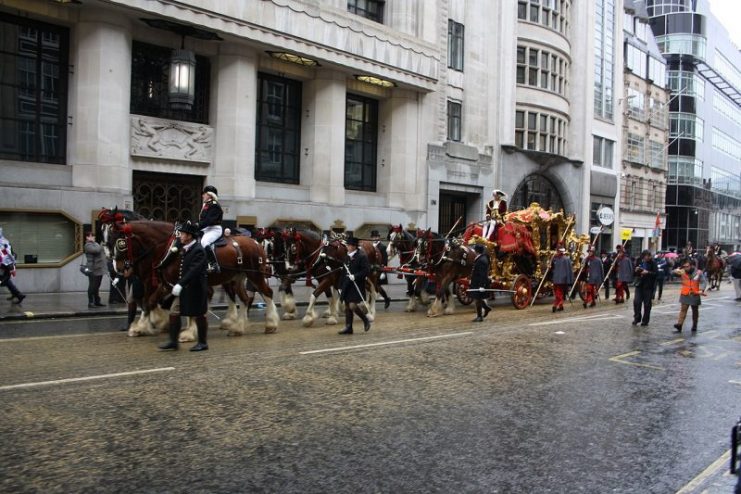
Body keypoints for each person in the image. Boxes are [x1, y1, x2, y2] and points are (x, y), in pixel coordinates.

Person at [159, 221, 210, 351]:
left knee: (199, 314)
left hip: (196, 289)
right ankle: (173, 341)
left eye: (182, 234)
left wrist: (180, 284)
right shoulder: (185, 248)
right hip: (184, 288)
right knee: (174, 311)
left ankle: (203, 343)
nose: (180, 236)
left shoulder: (198, 250)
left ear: (189, 236)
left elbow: (194, 270)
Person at [338, 237, 371, 335]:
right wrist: (340, 286)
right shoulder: (347, 256)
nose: (347, 247)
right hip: (347, 285)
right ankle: (349, 327)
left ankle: (365, 320)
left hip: (356, 284)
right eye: (347, 245)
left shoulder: (362, 256)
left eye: (349, 245)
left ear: (354, 246)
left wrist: (355, 276)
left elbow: (366, 271)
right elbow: (343, 272)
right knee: (347, 306)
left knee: (352, 305)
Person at [672, 259, 707, 333]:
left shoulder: (698, 272)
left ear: (691, 266)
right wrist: (674, 271)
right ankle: (679, 325)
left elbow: (703, 281)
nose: (685, 268)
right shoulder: (682, 271)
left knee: (695, 311)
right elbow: (673, 273)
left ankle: (694, 325)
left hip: (695, 294)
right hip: (685, 293)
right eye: (684, 266)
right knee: (683, 310)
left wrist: (702, 289)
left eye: (687, 266)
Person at [198, 185, 224, 273]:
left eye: (204, 194)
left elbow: (209, 220)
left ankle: (214, 264)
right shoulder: (206, 205)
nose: (202, 196)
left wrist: (197, 226)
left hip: (214, 229)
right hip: (206, 229)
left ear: (209, 195)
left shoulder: (214, 205)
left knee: (204, 242)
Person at [113, 262, 143, 332]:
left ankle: (143, 323)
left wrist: (128, 272)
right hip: (129, 281)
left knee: (137, 302)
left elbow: (129, 271)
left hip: (137, 279)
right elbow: (122, 269)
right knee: (131, 302)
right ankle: (130, 324)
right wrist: (118, 277)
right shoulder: (125, 257)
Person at [632, 250, 658, 326]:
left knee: (647, 304)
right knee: (636, 302)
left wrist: (648, 272)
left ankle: (645, 320)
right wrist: (636, 270)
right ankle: (637, 318)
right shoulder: (640, 261)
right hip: (639, 284)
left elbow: (656, 274)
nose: (646, 258)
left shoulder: (653, 263)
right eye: (644, 257)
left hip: (648, 286)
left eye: (647, 256)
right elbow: (635, 273)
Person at [0, 228, 25, 304]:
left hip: (7, 264)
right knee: (6, 280)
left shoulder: (2, 242)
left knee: (4, 280)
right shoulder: (3, 240)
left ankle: (19, 295)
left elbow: (7, 255)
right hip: (6, 264)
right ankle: (15, 294)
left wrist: (10, 265)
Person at [84, 230, 107, 308]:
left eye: (93, 236)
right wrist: (101, 245)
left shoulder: (95, 244)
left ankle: (97, 301)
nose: (93, 237)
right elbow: (96, 250)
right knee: (92, 286)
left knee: (97, 286)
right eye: (91, 236)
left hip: (99, 268)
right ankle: (90, 302)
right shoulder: (87, 245)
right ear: (87, 237)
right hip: (92, 268)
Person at [469, 243, 492, 322]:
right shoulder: (480, 258)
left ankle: (479, 316)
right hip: (476, 282)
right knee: (477, 298)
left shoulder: (482, 260)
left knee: (477, 299)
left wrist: (482, 286)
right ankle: (486, 308)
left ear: (476, 251)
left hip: (479, 283)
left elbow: (483, 274)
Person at [551, 246, 573, 312]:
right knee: (557, 292)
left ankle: (556, 304)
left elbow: (569, 270)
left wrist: (568, 280)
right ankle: (561, 306)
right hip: (556, 278)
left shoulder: (566, 259)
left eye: (557, 251)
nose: (556, 252)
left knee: (559, 292)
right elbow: (552, 268)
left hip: (562, 279)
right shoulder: (555, 259)